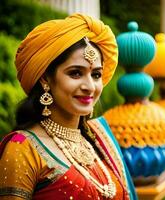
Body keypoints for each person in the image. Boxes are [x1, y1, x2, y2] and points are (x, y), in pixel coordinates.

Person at [0, 13, 137, 200]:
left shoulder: (97, 140)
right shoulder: (22, 148)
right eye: (75, 73)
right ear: (45, 78)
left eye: (96, 75)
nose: (89, 86)